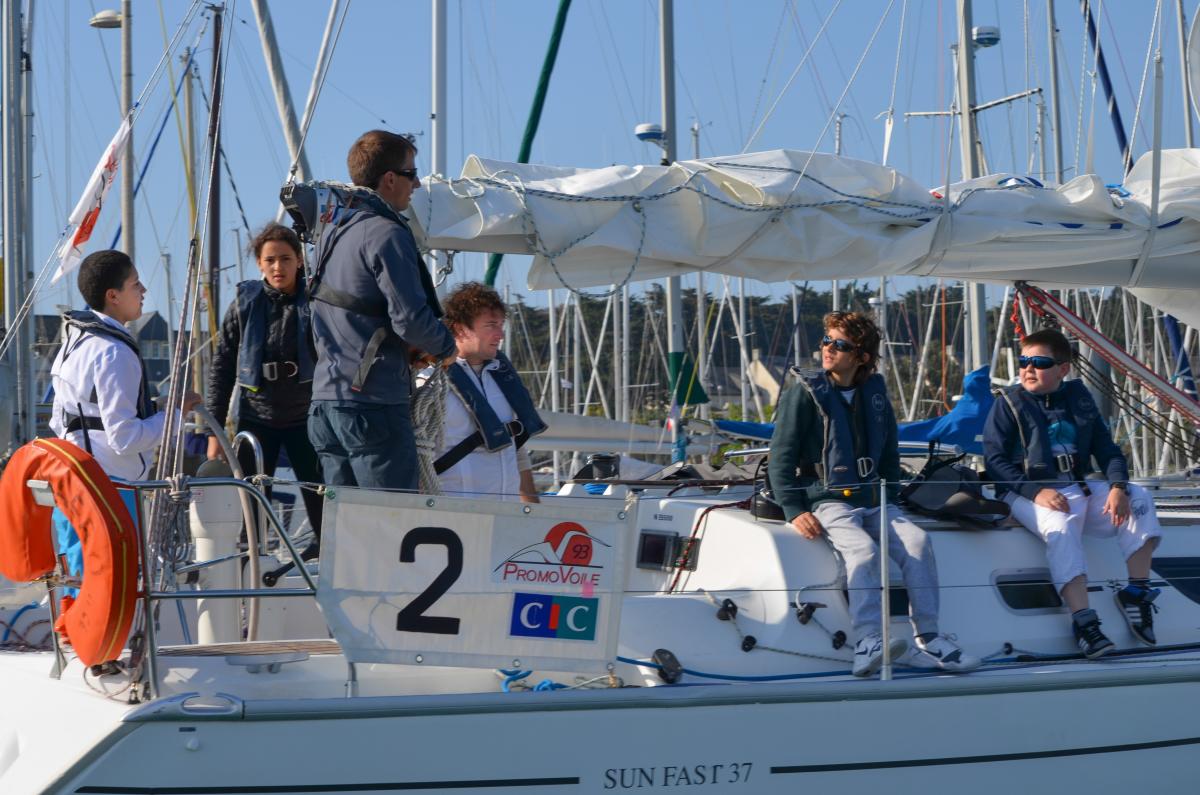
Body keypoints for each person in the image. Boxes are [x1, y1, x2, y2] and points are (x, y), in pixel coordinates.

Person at [768, 311, 980, 677]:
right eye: (826, 341)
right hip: (828, 498)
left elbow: (889, 454)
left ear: (862, 356)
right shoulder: (803, 395)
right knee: (863, 552)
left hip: (875, 498)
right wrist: (793, 509)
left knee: (918, 543)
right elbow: (781, 455)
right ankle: (868, 640)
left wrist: (891, 495)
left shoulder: (875, 394)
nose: (828, 349)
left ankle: (930, 637)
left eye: (839, 344)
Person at [983, 328, 1163, 658]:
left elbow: (1108, 451)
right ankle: (1084, 623)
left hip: (1076, 487)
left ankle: (1136, 593)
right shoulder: (1007, 404)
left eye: (1039, 363)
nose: (1028, 369)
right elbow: (994, 461)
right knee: (1060, 525)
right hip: (1024, 493)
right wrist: (1035, 492)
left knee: (1139, 498)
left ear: (1062, 369)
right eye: (1024, 362)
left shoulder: (1079, 400)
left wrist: (1117, 487)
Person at [306, 130, 457, 490]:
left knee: (344, 522)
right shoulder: (387, 234)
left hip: (325, 405)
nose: (416, 184)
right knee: (389, 518)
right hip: (372, 408)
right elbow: (410, 321)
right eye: (411, 174)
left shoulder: (331, 234)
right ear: (390, 179)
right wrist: (446, 348)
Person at [49, 249, 202, 583]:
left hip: (74, 485)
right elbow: (124, 437)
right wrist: (177, 415)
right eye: (135, 284)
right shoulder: (114, 352)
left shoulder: (75, 342)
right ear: (113, 296)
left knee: (79, 587)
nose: (143, 290)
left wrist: (157, 406)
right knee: (115, 588)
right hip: (111, 494)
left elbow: (73, 417)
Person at [206, 223, 324, 545]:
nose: (277, 267)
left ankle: (327, 562)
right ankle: (251, 564)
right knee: (251, 510)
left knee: (322, 502)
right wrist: (214, 433)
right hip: (257, 418)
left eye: (285, 259)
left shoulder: (317, 302)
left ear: (299, 261)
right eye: (270, 260)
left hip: (306, 418)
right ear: (259, 263)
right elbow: (222, 368)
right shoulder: (244, 304)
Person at [418, 283, 545, 502]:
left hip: (504, 512)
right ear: (460, 329)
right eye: (491, 325)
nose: (500, 334)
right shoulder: (429, 382)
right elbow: (415, 455)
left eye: (501, 325)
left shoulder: (503, 379)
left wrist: (533, 509)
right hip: (454, 510)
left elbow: (515, 449)